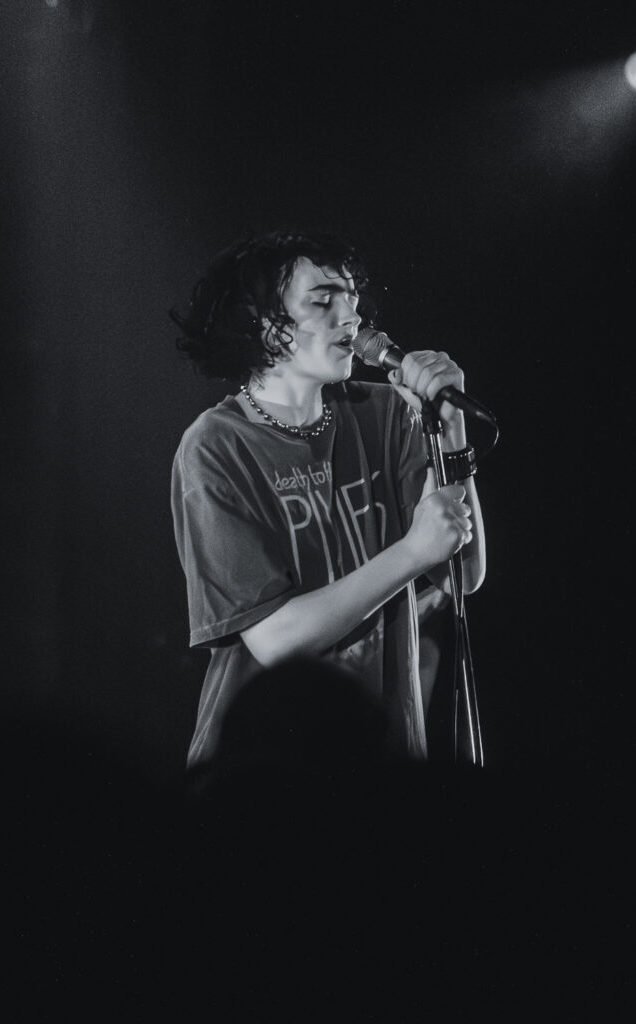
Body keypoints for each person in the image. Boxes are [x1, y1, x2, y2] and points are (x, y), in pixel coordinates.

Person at [170, 229, 486, 767]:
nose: (352, 318)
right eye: (323, 301)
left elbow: (462, 575)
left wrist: (451, 429)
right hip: (266, 765)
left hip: (382, 748)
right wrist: (411, 553)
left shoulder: (385, 413)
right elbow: (277, 640)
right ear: (267, 327)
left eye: (352, 299)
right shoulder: (217, 445)